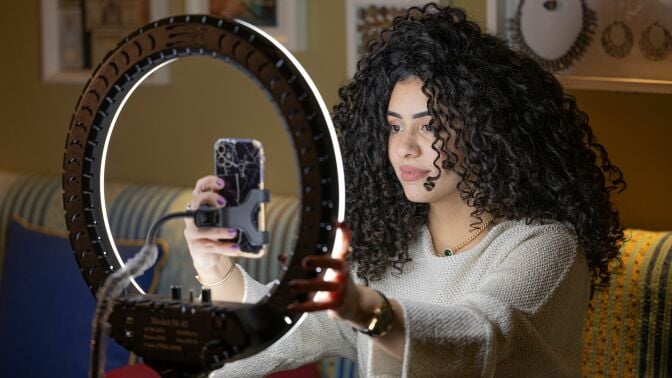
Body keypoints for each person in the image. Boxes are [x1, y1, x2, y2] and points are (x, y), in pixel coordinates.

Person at [184, 3, 625, 377]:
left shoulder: (546, 246)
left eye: (430, 125)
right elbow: (288, 332)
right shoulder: (391, 249)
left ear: (488, 131)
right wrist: (217, 270)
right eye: (395, 126)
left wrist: (367, 309)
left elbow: (479, 338)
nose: (405, 147)